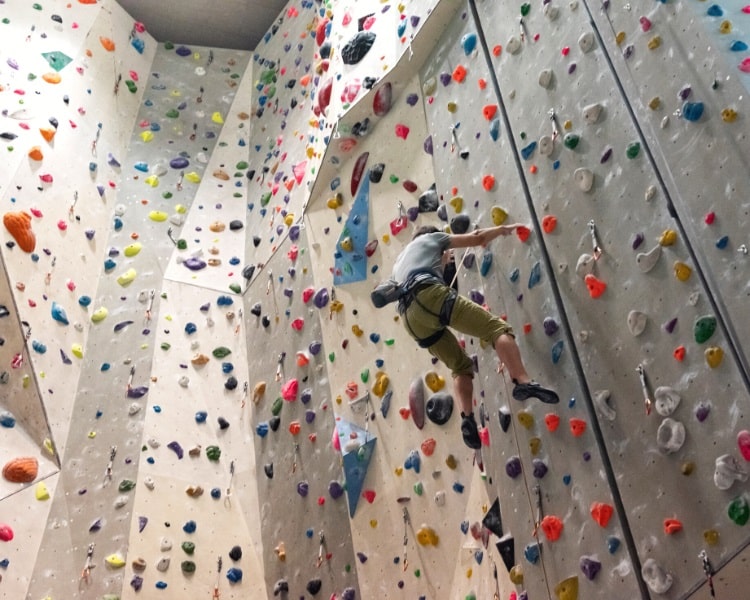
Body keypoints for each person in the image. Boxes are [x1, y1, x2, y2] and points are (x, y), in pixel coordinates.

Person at [391, 223, 559, 449]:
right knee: (496, 329)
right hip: (429, 295)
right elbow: (477, 237)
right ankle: (523, 381)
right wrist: (503, 229)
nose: (448, 257)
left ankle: (467, 418)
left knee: (460, 367)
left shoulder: (399, 262)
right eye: (447, 254)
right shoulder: (431, 239)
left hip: (411, 321)